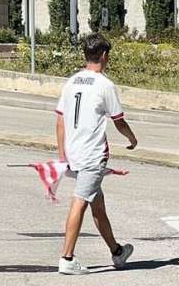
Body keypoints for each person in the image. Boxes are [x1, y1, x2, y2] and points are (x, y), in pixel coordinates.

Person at [55, 33, 138, 275]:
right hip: (92, 155)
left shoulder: (72, 82)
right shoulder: (105, 85)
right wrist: (132, 139)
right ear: (104, 56)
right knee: (80, 202)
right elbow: (119, 121)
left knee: (97, 205)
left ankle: (117, 252)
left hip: (73, 154)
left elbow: (60, 120)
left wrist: (62, 154)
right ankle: (67, 258)